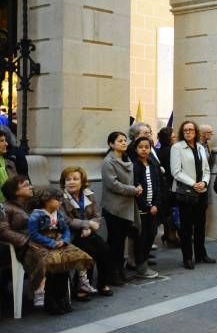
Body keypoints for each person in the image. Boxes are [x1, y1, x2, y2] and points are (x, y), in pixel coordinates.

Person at [1, 175, 93, 313]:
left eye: (29, 184)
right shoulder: (6, 208)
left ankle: (62, 299)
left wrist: (61, 237)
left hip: (46, 241)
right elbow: (3, 231)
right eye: (26, 185)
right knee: (51, 260)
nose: (30, 187)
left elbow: (55, 217)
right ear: (14, 191)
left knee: (64, 258)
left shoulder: (34, 203)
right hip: (25, 247)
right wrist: (26, 241)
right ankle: (50, 301)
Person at [27, 186, 95, 315]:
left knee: (66, 267)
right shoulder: (36, 215)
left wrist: (64, 240)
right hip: (41, 245)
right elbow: (33, 234)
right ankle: (51, 303)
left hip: (59, 243)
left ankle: (63, 301)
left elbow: (65, 229)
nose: (60, 202)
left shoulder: (58, 213)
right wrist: (51, 243)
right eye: (57, 199)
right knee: (53, 268)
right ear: (46, 200)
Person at [60, 166, 116, 295]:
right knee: (89, 252)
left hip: (89, 232)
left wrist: (90, 227)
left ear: (82, 181)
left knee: (105, 250)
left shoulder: (89, 195)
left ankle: (103, 284)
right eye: (68, 179)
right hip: (71, 234)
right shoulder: (60, 198)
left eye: (75, 179)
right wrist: (87, 224)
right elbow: (65, 220)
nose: (71, 182)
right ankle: (82, 287)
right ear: (63, 182)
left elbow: (96, 215)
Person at [171, 120, 213, 269]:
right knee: (186, 227)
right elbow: (176, 171)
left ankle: (201, 254)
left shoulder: (201, 147)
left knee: (201, 225)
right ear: (182, 132)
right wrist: (193, 183)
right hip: (186, 192)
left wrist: (204, 183)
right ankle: (187, 257)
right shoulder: (177, 148)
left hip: (201, 191)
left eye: (191, 130)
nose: (188, 132)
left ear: (196, 132)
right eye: (185, 130)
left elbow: (207, 169)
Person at [102, 131, 141, 282]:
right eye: (120, 141)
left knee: (121, 242)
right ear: (111, 144)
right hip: (114, 208)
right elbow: (113, 185)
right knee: (114, 243)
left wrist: (138, 187)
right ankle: (112, 274)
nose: (124, 143)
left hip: (127, 207)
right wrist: (133, 190)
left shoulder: (127, 159)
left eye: (125, 140)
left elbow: (131, 181)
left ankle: (120, 271)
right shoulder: (108, 162)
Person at [132, 136, 161, 279]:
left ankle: (143, 262)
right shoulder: (135, 166)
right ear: (136, 149)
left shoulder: (152, 164)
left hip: (153, 207)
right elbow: (136, 190)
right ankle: (141, 267)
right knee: (142, 238)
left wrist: (155, 204)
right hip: (141, 209)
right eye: (141, 147)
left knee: (152, 234)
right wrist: (147, 206)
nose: (144, 149)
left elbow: (158, 186)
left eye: (147, 147)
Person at [156, 126, 179, 248]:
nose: (176, 138)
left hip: (165, 186)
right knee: (172, 212)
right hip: (171, 185)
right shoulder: (171, 151)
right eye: (173, 137)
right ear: (168, 139)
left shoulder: (159, 151)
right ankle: (171, 237)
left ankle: (168, 235)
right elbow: (172, 170)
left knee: (168, 212)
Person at [0, 131, 17, 202]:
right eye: (1, 141)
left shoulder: (10, 163)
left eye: (5, 141)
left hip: (10, 204)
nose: (6, 144)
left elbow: (16, 185)